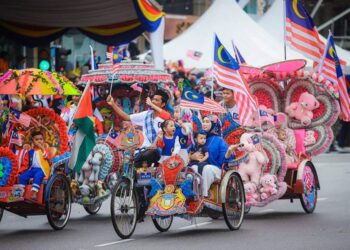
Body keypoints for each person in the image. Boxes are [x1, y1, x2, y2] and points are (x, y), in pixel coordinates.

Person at [107, 89, 171, 168]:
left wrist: (151, 104)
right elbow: (126, 117)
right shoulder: (146, 114)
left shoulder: (166, 118)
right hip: (142, 152)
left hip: (158, 152)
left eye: (156, 100)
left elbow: (167, 117)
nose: (153, 101)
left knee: (150, 153)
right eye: (153, 99)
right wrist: (113, 104)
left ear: (163, 104)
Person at [189, 114, 237, 197]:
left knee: (207, 169)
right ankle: (192, 195)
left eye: (207, 122)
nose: (204, 124)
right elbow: (189, 151)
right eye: (203, 122)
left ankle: (202, 196)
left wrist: (229, 151)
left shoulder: (219, 140)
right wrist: (191, 157)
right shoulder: (198, 138)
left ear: (214, 125)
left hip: (216, 168)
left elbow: (223, 161)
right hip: (198, 165)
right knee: (193, 169)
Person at [18, 130, 52, 200]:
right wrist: (19, 172)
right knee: (22, 176)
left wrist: (42, 149)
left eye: (41, 139)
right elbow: (25, 164)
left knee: (38, 175)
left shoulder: (45, 150)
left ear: (43, 140)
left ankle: (34, 193)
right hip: (32, 169)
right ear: (33, 141)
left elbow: (48, 158)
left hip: (42, 169)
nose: (39, 141)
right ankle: (20, 193)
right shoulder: (30, 152)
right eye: (36, 139)